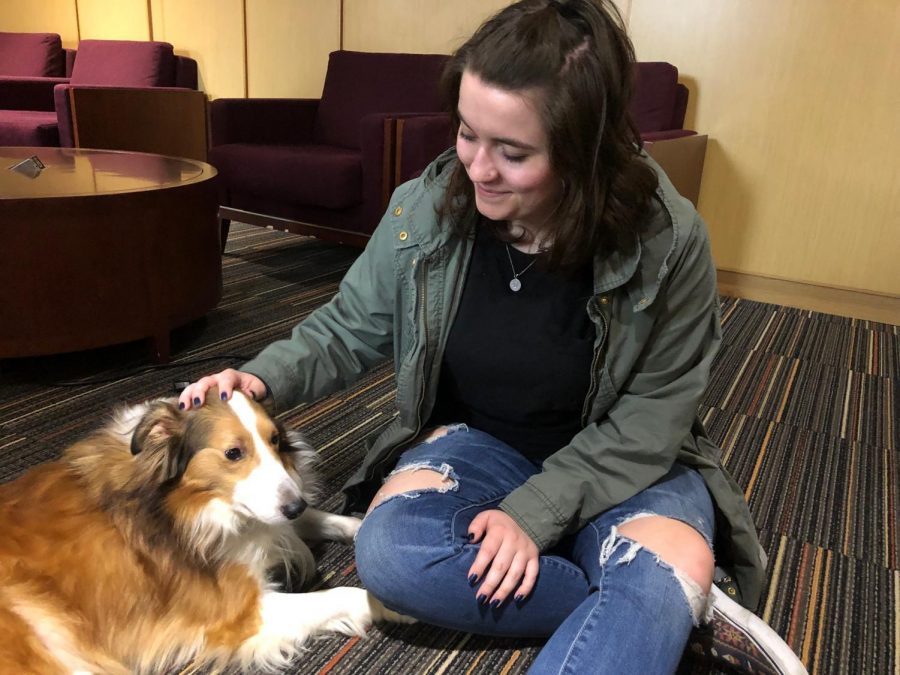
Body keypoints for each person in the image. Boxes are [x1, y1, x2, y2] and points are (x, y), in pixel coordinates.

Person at [179, 1, 806, 672]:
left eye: (513, 152)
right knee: (392, 557)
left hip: (626, 461)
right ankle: (656, 605)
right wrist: (262, 378)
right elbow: (351, 324)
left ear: (586, 153)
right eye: (468, 133)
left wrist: (533, 516)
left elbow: (652, 419)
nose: (477, 168)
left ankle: (653, 596)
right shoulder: (426, 205)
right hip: (480, 445)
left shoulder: (669, 238)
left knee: (659, 567)